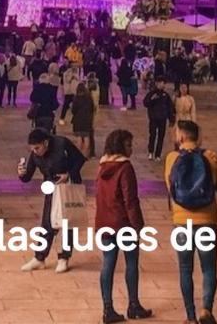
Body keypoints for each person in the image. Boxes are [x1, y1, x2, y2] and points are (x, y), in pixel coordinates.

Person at [165, 121, 217, 324]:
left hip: (181, 223)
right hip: (207, 222)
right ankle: (206, 310)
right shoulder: (210, 157)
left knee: (185, 269)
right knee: (209, 269)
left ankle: (190, 316)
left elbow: (171, 187)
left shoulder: (171, 159)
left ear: (181, 137)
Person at [95, 129, 153, 322]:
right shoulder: (125, 167)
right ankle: (133, 305)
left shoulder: (102, 166)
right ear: (120, 146)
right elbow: (130, 199)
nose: (131, 148)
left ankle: (107, 308)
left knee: (108, 264)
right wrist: (138, 225)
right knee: (131, 263)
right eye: (129, 144)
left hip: (104, 223)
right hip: (123, 223)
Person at [18, 128, 86, 273]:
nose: (35, 151)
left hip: (68, 186)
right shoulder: (35, 155)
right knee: (47, 222)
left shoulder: (62, 143)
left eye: (37, 148)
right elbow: (27, 177)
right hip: (51, 187)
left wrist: (69, 174)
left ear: (46, 143)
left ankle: (64, 258)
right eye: (32, 149)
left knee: (67, 223)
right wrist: (21, 173)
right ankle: (39, 257)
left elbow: (80, 159)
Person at [143, 77, 175, 161]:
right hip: (153, 118)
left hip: (162, 118)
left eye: (164, 83)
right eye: (161, 83)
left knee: (161, 137)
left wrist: (171, 119)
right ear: (157, 83)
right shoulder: (152, 93)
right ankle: (151, 152)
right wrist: (153, 99)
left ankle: (158, 154)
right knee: (152, 135)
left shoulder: (165, 95)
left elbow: (170, 107)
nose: (163, 84)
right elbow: (146, 103)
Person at [70, 83, 95, 157]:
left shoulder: (76, 98)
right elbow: (92, 108)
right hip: (87, 120)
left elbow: (73, 110)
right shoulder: (89, 97)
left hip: (78, 120)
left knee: (79, 137)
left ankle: (79, 154)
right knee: (87, 137)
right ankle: (86, 154)